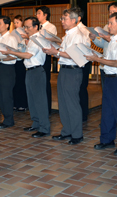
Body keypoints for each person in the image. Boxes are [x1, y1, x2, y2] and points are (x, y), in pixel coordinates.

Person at [86, 13, 117, 155]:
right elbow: (109, 59)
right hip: (109, 78)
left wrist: (97, 59)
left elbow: (116, 63)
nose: (108, 26)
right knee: (107, 111)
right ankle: (107, 139)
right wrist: (98, 56)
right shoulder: (112, 40)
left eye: (111, 23)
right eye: (108, 23)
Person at [43, 8, 87, 145]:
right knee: (63, 102)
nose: (62, 21)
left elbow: (75, 55)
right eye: (62, 18)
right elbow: (64, 51)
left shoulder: (78, 35)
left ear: (74, 20)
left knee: (72, 103)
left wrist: (55, 52)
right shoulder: (68, 34)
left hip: (73, 71)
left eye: (65, 18)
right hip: (64, 70)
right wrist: (55, 51)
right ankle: (67, 131)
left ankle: (77, 134)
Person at [0, 17, 50, 138]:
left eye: (28, 27)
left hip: (37, 71)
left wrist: (12, 52)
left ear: (36, 27)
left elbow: (28, 55)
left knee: (40, 101)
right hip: (30, 71)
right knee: (32, 100)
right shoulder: (31, 39)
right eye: (25, 27)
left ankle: (44, 127)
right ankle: (36, 123)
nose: (26, 29)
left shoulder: (38, 39)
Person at [0, 16, 18, 129]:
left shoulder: (11, 38)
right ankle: (5, 117)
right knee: (0, 94)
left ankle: (9, 120)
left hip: (7, 69)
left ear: (7, 25)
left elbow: (13, 57)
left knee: (6, 95)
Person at [36, 6, 57, 114]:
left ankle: (47, 109)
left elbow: (49, 41)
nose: (37, 15)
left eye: (39, 13)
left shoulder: (50, 27)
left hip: (46, 56)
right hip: (37, 56)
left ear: (45, 15)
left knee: (45, 82)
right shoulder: (37, 27)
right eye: (37, 13)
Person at [76, 8, 92, 122]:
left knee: (81, 88)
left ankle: (83, 114)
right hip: (78, 60)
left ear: (78, 18)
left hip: (83, 61)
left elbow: (85, 46)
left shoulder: (83, 30)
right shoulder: (74, 30)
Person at [12, 15, 28, 112]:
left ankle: (23, 104)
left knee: (21, 82)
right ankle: (15, 103)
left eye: (17, 22)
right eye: (14, 22)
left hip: (22, 59)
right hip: (15, 59)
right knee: (15, 82)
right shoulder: (13, 32)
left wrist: (22, 42)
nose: (16, 24)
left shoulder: (25, 31)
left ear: (22, 23)